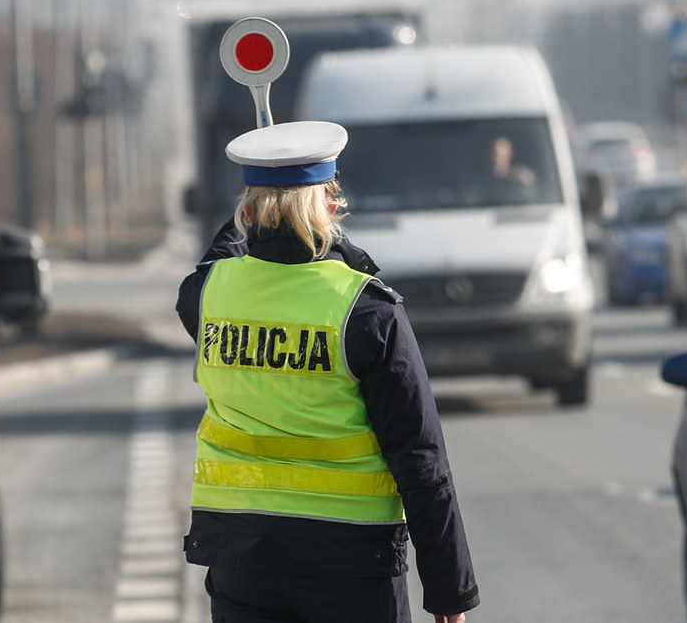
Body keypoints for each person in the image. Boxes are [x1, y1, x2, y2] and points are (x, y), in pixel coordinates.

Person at [175, 120, 479, 623]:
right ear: (333, 206)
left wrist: (254, 208)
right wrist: (450, 592)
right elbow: (420, 458)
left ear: (246, 211)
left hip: (242, 557)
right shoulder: (366, 311)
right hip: (351, 565)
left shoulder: (207, 297)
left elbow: (219, 258)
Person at [482, 136, 536, 204]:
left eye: (501, 155)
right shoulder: (480, 183)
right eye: (493, 153)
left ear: (509, 156)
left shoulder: (521, 180)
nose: (495, 159)